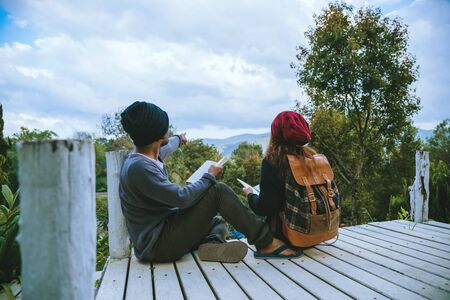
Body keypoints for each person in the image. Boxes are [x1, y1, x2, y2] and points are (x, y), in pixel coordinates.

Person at [119, 101, 301, 263]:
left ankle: (211, 246)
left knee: (215, 221)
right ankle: (266, 242)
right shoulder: (139, 168)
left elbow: (170, 144)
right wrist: (210, 176)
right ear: (157, 134)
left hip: (165, 232)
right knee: (218, 192)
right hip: (157, 245)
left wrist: (180, 139)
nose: (169, 130)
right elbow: (181, 198)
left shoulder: (149, 153)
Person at [243, 111, 334, 252]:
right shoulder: (315, 159)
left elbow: (264, 208)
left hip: (287, 237)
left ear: (276, 134)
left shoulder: (273, 162)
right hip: (317, 232)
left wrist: (250, 195)